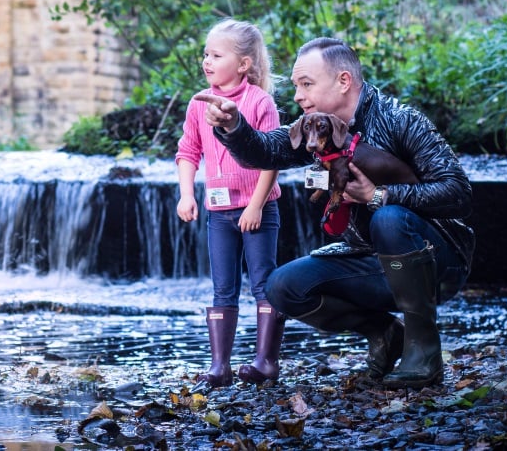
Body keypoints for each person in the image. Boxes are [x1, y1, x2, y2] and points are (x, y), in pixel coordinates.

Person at [192, 37, 474, 388]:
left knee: (388, 217)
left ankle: (423, 351)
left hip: (438, 261)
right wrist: (233, 127)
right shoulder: (315, 128)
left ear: (343, 81)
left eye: (306, 84)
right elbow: (264, 151)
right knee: (282, 287)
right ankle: (387, 334)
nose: (297, 95)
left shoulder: (402, 120)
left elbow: (459, 193)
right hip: (367, 261)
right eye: (296, 86)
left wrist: (379, 195)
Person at [175, 19, 285, 388]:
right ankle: (219, 367)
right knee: (223, 288)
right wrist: (187, 193)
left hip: (258, 209)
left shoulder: (260, 102)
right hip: (218, 212)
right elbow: (188, 150)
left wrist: (255, 206)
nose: (207, 61)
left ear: (243, 64)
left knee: (263, 283)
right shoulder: (198, 103)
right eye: (205, 53)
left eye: (216, 55)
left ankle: (265, 361)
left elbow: (272, 157)